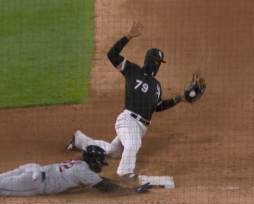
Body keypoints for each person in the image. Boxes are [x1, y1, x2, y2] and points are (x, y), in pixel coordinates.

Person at [66, 21, 186, 180]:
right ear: (148, 59)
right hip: (127, 120)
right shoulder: (133, 70)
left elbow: (157, 106)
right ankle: (125, 173)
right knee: (133, 145)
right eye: (154, 61)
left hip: (140, 127)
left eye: (159, 63)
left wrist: (181, 98)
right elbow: (112, 55)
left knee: (112, 151)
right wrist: (128, 36)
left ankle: (79, 140)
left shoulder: (157, 86)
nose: (156, 65)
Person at [0, 145, 152, 196]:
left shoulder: (81, 165)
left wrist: (126, 185)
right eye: (100, 162)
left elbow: (98, 178)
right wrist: (132, 191)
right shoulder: (85, 172)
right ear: (92, 161)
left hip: (33, 170)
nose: (100, 165)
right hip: (33, 183)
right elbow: (106, 187)